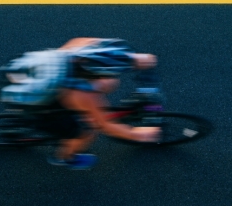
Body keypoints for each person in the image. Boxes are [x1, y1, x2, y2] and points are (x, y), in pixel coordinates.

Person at [46, 37, 161, 170]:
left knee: (109, 83)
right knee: (87, 132)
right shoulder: (84, 95)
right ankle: (64, 157)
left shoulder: (83, 47)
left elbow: (126, 58)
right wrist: (138, 135)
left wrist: (143, 61)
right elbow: (105, 126)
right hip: (50, 104)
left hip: (54, 70)